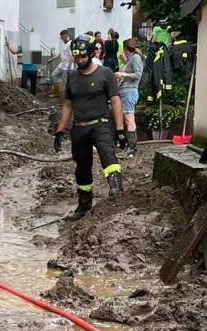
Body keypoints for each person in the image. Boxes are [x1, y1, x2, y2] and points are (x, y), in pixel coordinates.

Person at [53, 34, 125, 220]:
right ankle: (84, 206)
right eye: (76, 57)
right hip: (80, 128)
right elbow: (68, 104)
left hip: (100, 125)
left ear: (92, 53)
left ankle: (117, 197)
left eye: (83, 56)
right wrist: (60, 131)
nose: (79, 60)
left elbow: (116, 101)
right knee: (82, 168)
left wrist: (120, 130)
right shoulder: (72, 76)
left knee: (108, 157)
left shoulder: (105, 73)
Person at [114, 38, 144, 158]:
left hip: (129, 92)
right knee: (126, 119)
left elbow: (138, 75)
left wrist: (123, 74)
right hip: (124, 92)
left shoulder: (136, 58)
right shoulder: (129, 59)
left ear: (125, 48)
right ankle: (129, 146)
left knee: (129, 120)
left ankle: (131, 148)